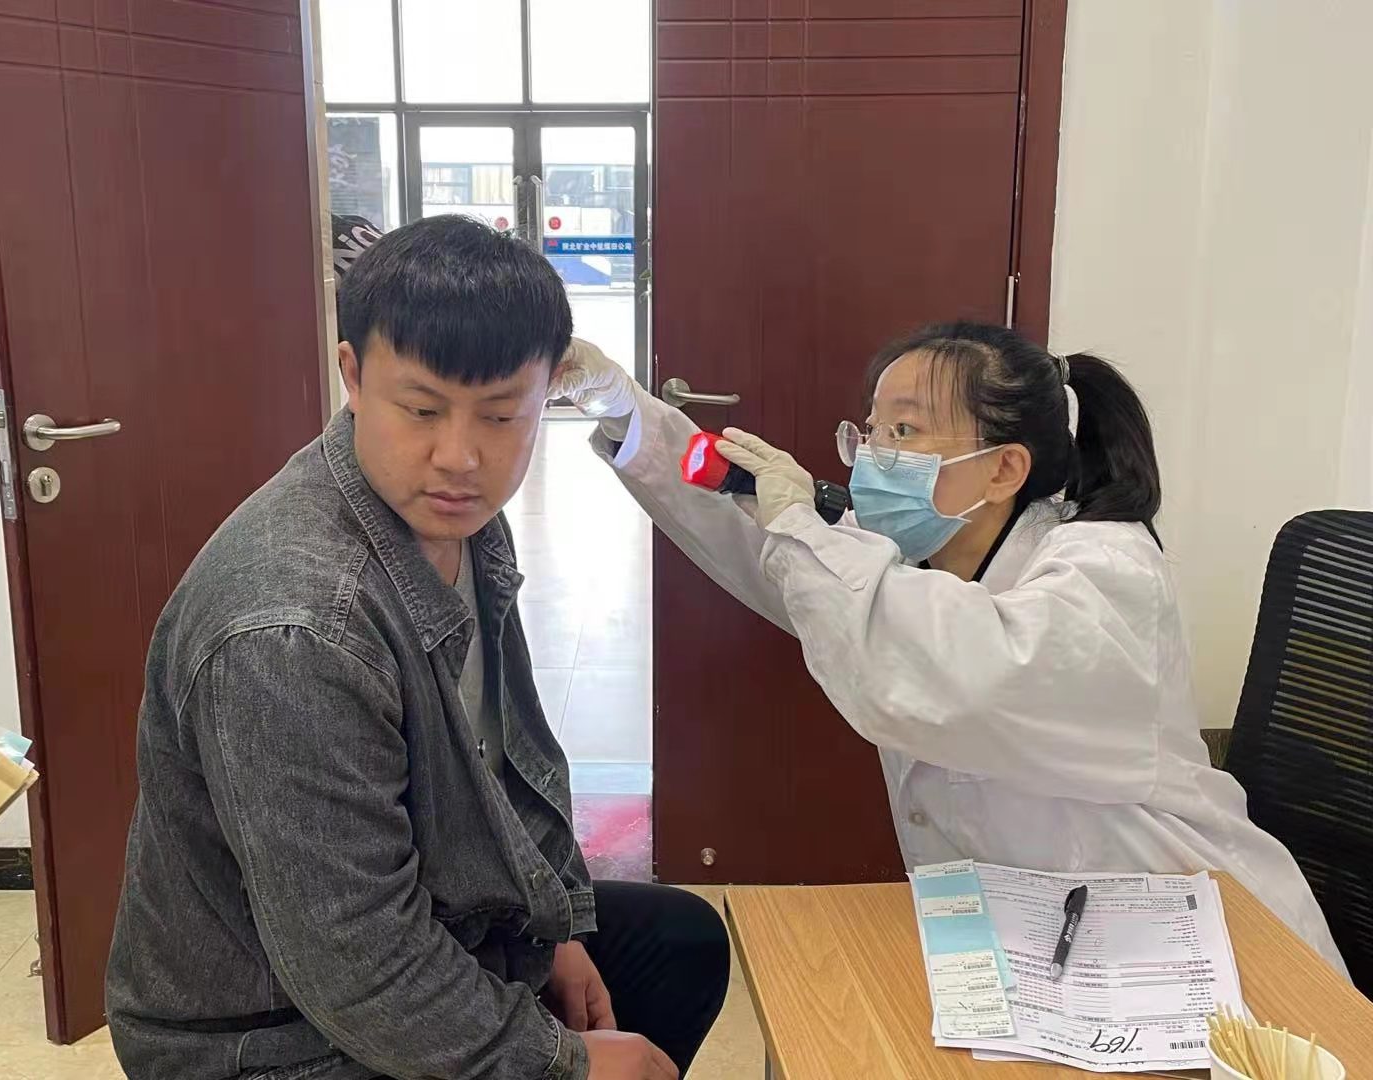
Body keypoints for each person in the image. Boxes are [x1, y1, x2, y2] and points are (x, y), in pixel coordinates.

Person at [106, 215, 729, 1080]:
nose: (460, 457)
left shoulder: (453, 519)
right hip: (271, 1036)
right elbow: (356, 963)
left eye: (502, 414)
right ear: (353, 376)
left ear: (548, 394)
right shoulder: (295, 626)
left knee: (678, 943)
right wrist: (563, 1064)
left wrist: (554, 931)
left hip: (431, 928)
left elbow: (500, 766)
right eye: (422, 410)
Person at [550, 323, 1346, 973]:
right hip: (1040, 948)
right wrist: (622, 407)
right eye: (870, 430)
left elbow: (967, 678)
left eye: (904, 431)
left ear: (1004, 469)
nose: (873, 454)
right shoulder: (917, 557)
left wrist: (798, 530)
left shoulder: (1108, 571)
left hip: (1201, 951)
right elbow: (771, 556)